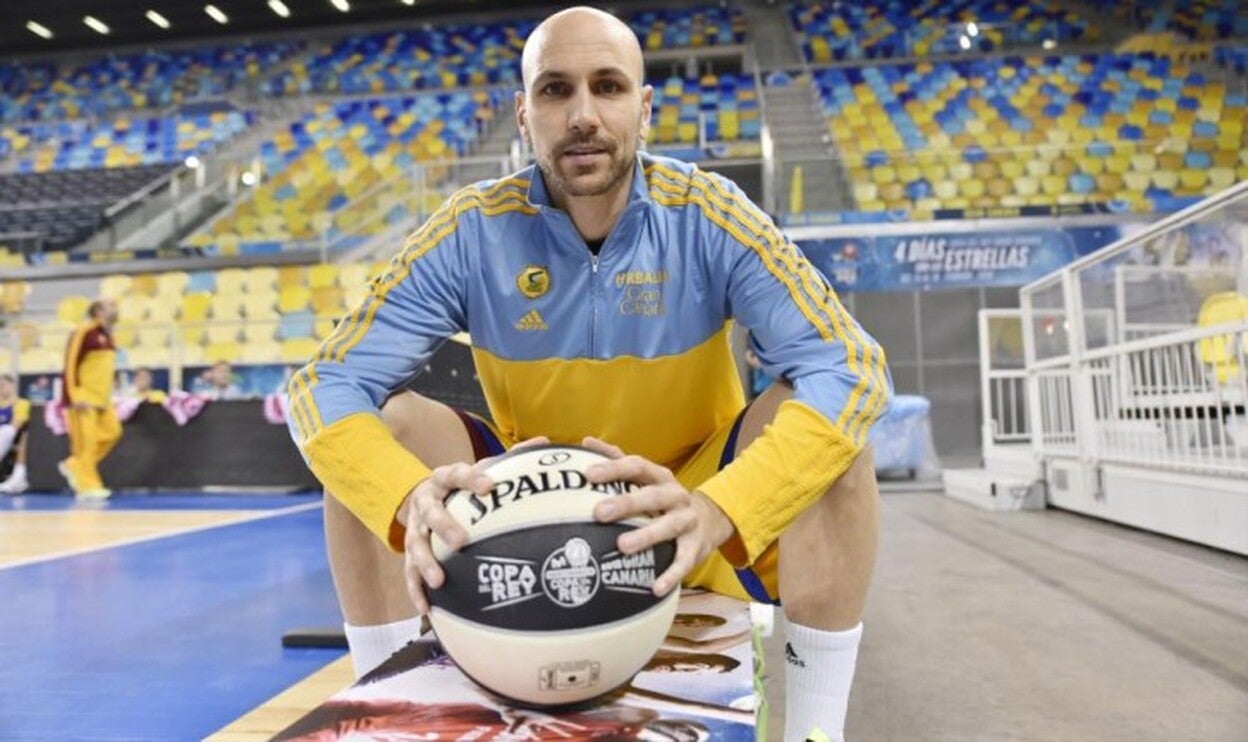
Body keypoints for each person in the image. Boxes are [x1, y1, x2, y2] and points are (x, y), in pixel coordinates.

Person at [287, 7, 889, 742]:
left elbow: (850, 366)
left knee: (837, 436)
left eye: (607, 87)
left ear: (644, 107)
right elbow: (323, 384)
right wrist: (407, 497)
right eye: (555, 90)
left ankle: (817, 732)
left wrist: (719, 509)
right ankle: (387, 708)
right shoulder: (472, 231)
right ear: (523, 114)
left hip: (696, 510)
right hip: (530, 518)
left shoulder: (709, 215)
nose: (582, 115)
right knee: (381, 433)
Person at [61, 298, 121, 499]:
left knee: (113, 432)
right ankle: (87, 486)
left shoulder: (109, 335)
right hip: (83, 396)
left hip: (103, 398)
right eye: (111, 306)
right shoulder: (84, 331)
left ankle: (75, 465)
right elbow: (70, 364)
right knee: (85, 442)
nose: (116, 309)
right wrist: (74, 394)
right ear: (98, 310)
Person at [0, 373, 30, 494]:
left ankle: (17, 481)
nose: (0, 388)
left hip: (9, 436)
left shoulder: (21, 403)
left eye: (3, 385)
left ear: (12, 385)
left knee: (6, 430)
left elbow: (15, 426)